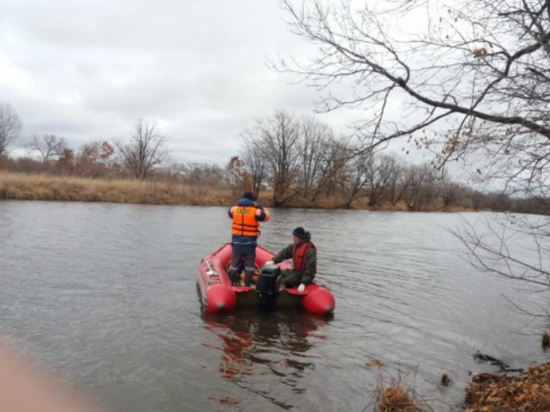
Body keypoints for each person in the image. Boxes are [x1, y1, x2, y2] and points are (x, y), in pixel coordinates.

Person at [228, 192, 270, 286]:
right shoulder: (255, 211)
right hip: (249, 244)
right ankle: (247, 285)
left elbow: (229, 213)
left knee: (234, 265)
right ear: (252, 200)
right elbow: (266, 216)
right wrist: (258, 206)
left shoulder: (234, 209)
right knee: (249, 267)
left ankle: (230, 284)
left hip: (236, 243)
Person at [266, 227, 316, 292]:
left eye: (295, 237)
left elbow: (310, 269)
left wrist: (303, 283)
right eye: (293, 237)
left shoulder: (310, 250)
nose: (293, 239)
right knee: (277, 273)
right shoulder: (294, 246)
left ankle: (282, 292)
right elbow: (284, 253)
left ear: (301, 238)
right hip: (295, 271)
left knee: (285, 281)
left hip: (303, 274)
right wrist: (274, 260)